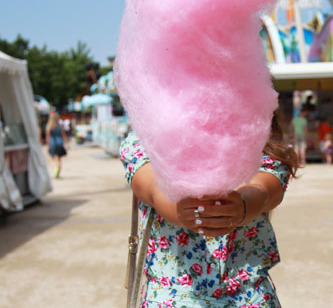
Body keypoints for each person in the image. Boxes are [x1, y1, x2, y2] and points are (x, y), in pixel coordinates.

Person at [120, 112, 298, 307]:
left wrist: (242, 206)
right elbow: (150, 188)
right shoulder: (147, 138)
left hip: (248, 296)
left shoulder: (260, 139)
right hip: (172, 297)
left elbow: (265, 189)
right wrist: (178, 209)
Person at [46, 112, 68, 178]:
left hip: (52, 142)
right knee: (59, 159)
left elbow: (48, 137)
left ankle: (55, 168)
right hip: (60, 142)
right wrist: (66, 144)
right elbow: (64, 136)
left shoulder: (48, 127)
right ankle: (58, 173)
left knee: (52, 158)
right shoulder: (60, 127)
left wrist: (48, 145)